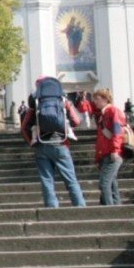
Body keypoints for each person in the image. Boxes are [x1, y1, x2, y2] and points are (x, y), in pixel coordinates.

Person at [20, 75, 85, 208]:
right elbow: (77, 121)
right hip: (61, 144)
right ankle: (80, 207)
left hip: (42, 145)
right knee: (71, 179)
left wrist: (32, 143)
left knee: (47, 180)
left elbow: (24, 127)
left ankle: (52, 209)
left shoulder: (35, 101)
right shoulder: (62, 99)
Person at [92, 87, 129, 205]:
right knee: (112, 184)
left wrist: (115, 150)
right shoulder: (103, 114)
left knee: (104, 183)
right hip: (105, 153)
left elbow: (118, 132)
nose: (95, 102)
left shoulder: (113, 111)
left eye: (97, 99)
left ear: (105, 99)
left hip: (111, 153)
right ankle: (116, 207)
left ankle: (109, 209)